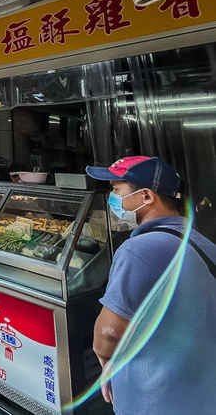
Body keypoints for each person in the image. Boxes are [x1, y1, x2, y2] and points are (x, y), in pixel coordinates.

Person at [87, 156, 216, 414]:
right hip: (202, 393)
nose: (112, 199)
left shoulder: (139, 249)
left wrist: (104, 358)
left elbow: (110, 332)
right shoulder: (204, 244)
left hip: (154, 399)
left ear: (146, 196)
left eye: (116, 190)